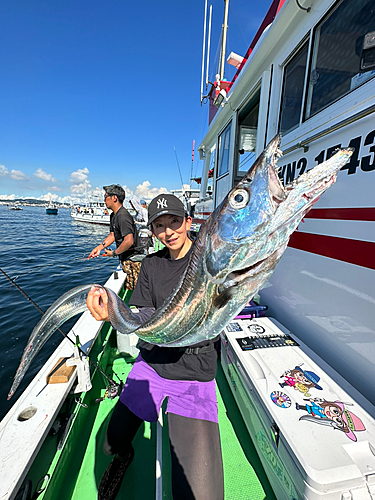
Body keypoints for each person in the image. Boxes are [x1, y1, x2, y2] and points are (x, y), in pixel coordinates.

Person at [87, 194, 224, 500]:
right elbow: (144, 311)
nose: (168, 231)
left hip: (194, 371)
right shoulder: (151, 264)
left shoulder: (208, 263)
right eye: (159, 226)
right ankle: (125, 456)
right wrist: (114, 312)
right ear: (153, 231)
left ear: (188, 221)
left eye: (174, 221)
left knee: (201, 496)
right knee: (111, 444)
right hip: (151, 363)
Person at [88, 184, 141, 289]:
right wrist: (99, 248)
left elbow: (129, 241)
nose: (104, 200)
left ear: (114, 198)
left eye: (105, 196)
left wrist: (113, 253)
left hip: (133, 261)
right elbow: (112, 235)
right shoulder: (114, 215)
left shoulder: (123, 216)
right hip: (125, 259)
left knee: (136, 291)